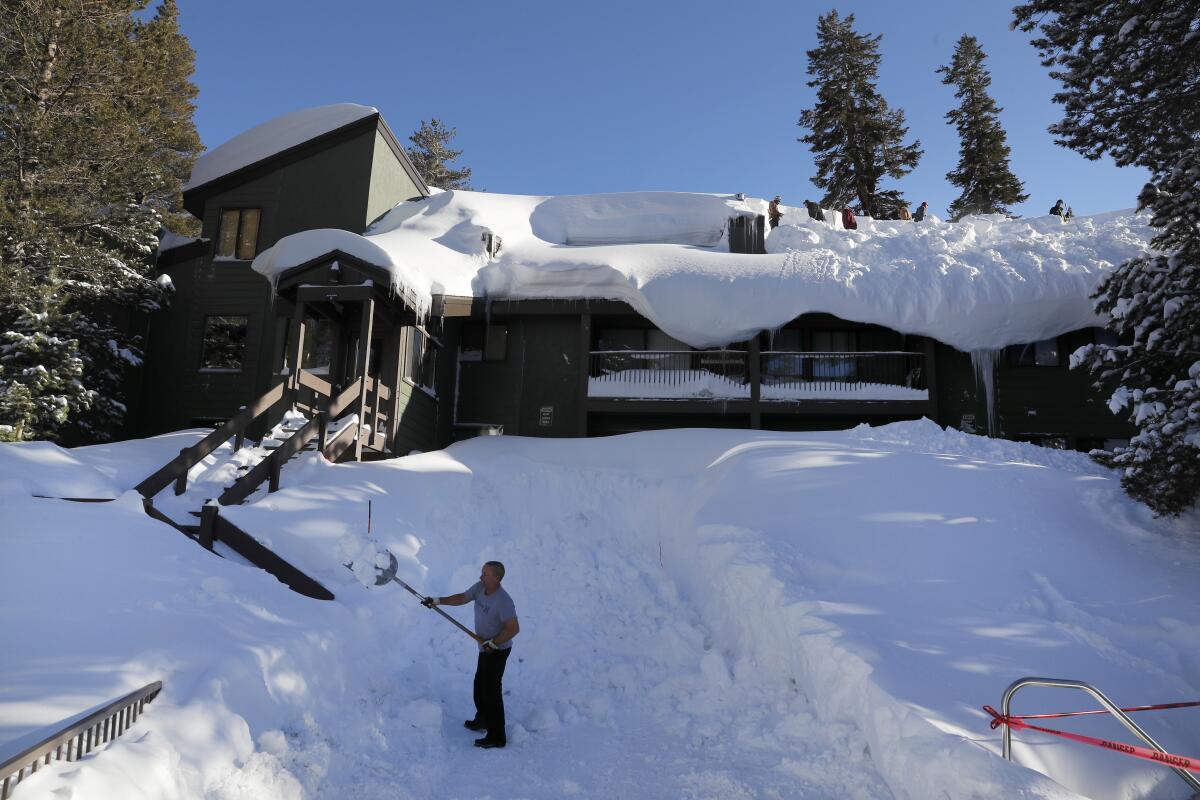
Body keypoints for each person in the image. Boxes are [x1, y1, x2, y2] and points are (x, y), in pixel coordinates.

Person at [422, 561, 520, 749]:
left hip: (498, 650)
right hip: (485, 648)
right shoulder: (480, 588)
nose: (480, 577)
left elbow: (514, 628)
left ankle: (497, 736)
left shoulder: (504, 601)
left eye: (485, 574)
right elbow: (461, 598)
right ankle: (483, 720)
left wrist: (494, 642)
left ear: (496, 578)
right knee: (479, 686)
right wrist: (437, 600)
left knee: (492, 692)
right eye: (482, 573)